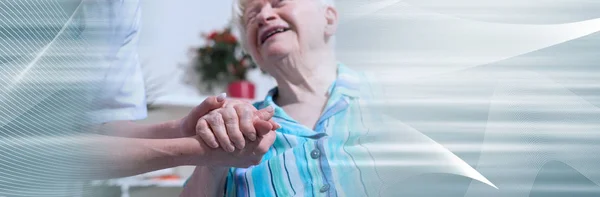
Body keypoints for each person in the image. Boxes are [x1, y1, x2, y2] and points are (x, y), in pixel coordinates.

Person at [180, 0, 498, 196]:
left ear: (329, 19)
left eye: (278, 2)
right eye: (252, 17)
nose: (264, 16)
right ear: (256, 57)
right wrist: (213, 162)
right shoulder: (236, 130)